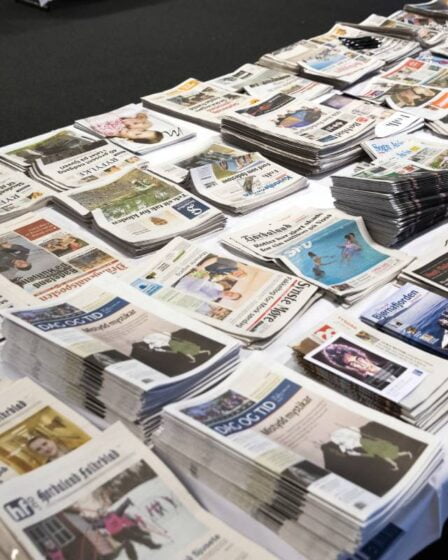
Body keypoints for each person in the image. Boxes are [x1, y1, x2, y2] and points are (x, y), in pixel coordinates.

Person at [330, 427, 413, 472]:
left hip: (379, 450)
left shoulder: (363, 443)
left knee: (393, 456)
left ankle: (404, 456)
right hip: (379, 450)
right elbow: (345, 448)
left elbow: (371, 454)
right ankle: (397, 464)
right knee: (391, 457)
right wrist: (352, 451)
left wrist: (358, 454)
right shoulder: (359, 442)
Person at [91, 112, 163, 145]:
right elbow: (142, 113)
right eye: (143, 130)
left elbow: (96, 122)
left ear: (130, 140)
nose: (136, 130)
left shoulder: (111, 132)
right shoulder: (127, 125)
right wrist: (141, 118)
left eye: (137, 134)